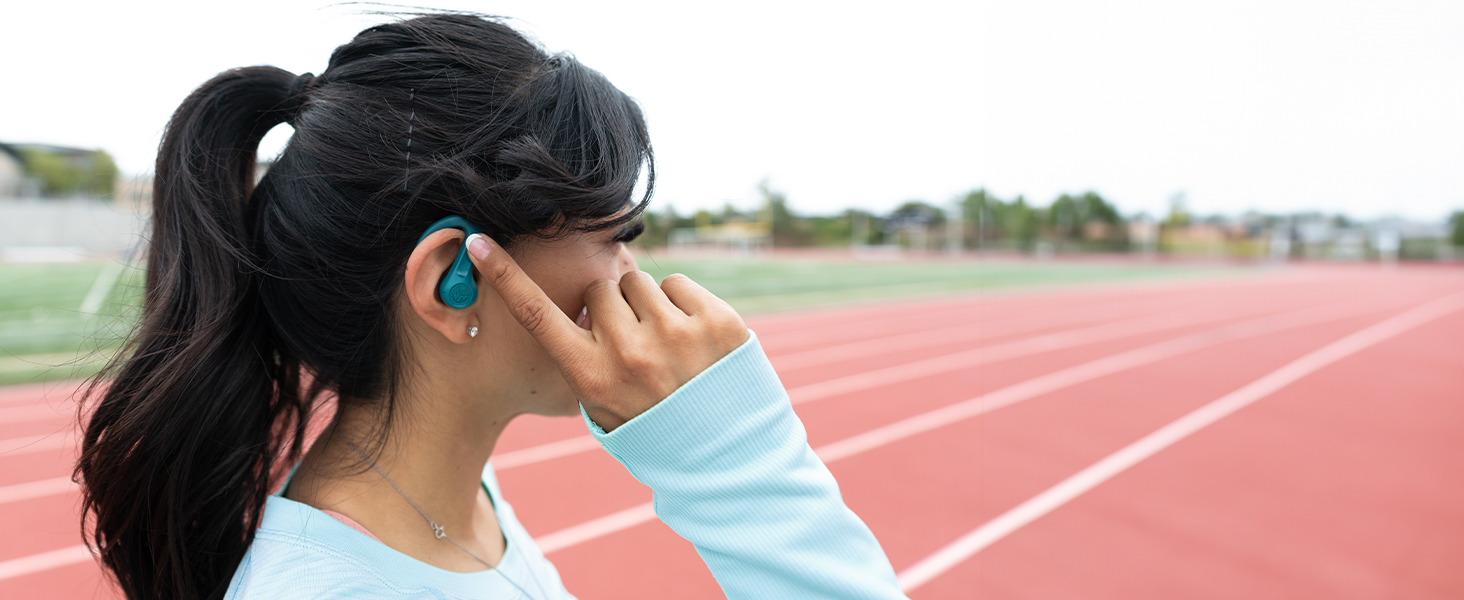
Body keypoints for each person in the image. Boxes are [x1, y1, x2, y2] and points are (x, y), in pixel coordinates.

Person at [76, 13, 906, 600]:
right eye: (615, 235)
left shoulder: (458, 503)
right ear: (453, 280)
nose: (635, 278)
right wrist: (732, 456)